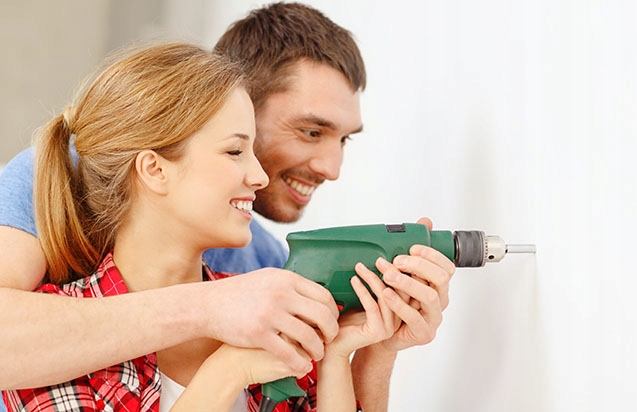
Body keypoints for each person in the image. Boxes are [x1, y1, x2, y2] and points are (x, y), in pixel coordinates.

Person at [0, 3, 455, 411]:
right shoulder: (55, 176)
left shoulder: (268, 271)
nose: (332, 168)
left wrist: (372, 349)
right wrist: (218, 330)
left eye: (344, 140)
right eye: (311, 132)